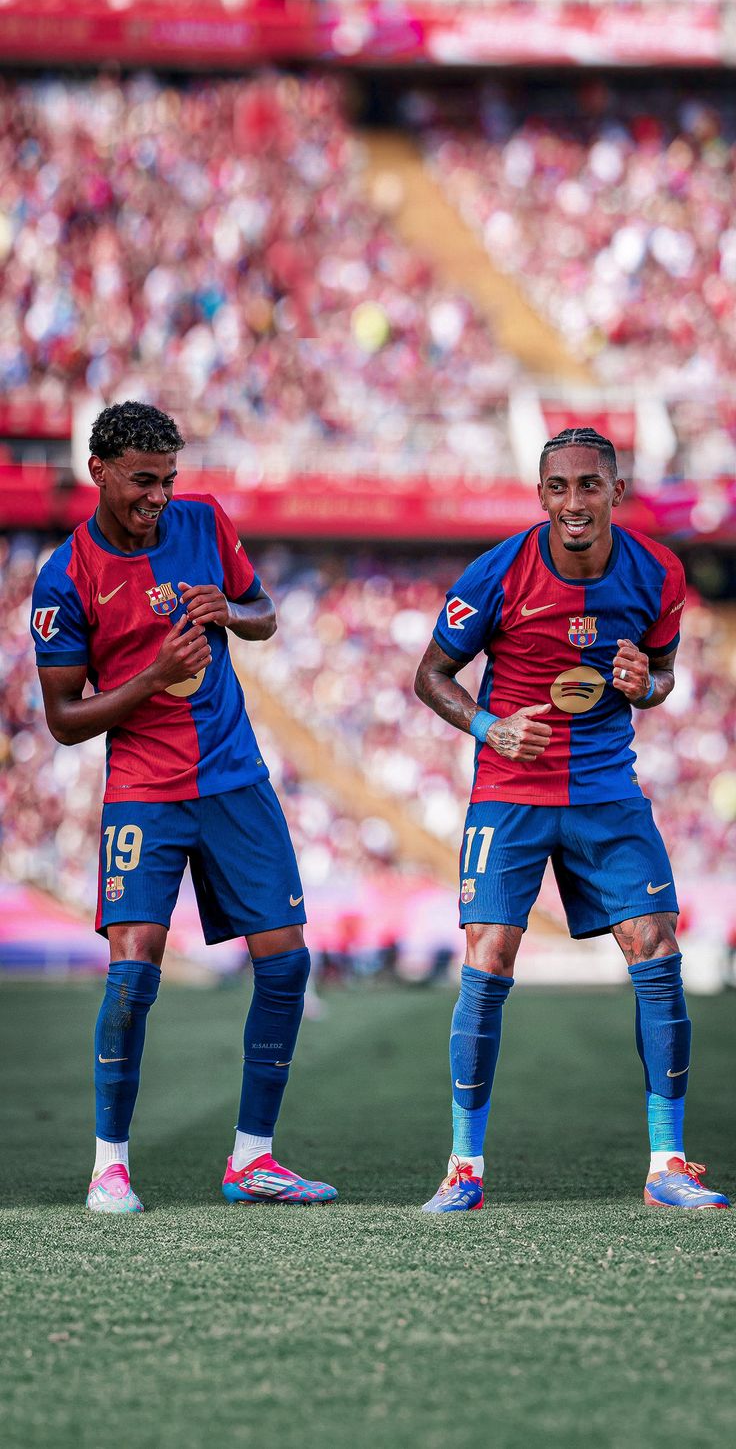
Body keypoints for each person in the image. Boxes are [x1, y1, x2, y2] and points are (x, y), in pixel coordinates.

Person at [31, 400, 336, 1214]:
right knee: (133, 973)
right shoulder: (66, 578)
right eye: (141, 480)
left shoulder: (205, 522)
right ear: (98, 471)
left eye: (168, 479)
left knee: (288, 961)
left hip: (235, 777)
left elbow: (263, 614)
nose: (158, 496)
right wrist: (152, 679)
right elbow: (64, 721)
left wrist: (229, 612)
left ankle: (253, 1160)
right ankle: (109, 1166)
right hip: (145, 791)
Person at [414, 426, 729, 1214]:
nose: (575, 502)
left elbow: (659, 674)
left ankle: (667, 1164)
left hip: (603, 790)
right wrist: (490, 728)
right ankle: (464, 1169)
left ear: (617, 491)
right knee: (489, 958)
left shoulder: (658, 572)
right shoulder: (498, 573)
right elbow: (431, 675)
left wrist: (643, 684)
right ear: (541, 494)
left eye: (590, 485)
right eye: (559, 487)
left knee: (656, 946)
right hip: (510, 791)